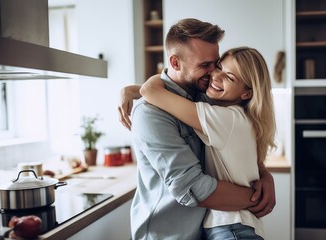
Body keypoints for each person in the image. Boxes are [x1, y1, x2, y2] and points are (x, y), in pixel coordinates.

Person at [118, 18, 276, 239]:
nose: (213, 73)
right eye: (205, 65)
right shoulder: (150, 113)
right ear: (175, 63)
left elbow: (239, 156)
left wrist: (265, 176)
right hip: (169, 235)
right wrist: (256, 198)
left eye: (216, 63)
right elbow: (193, 188)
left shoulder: (208, 99)